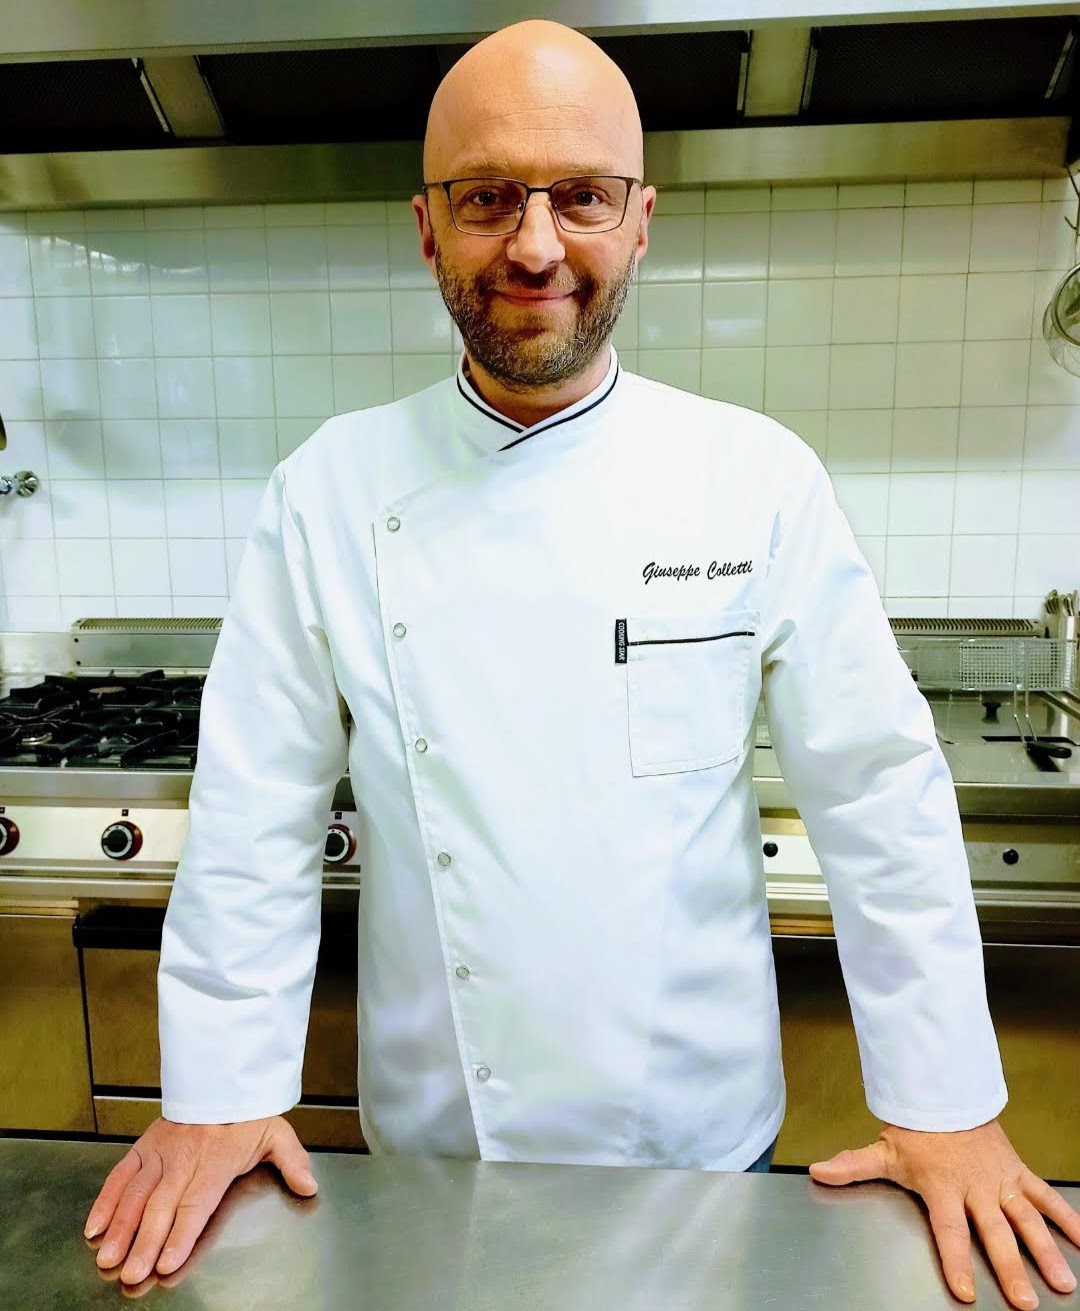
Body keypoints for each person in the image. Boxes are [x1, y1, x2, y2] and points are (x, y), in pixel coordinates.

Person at [86, 19, 1079, 1306]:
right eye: (488, 197)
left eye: (582, 197)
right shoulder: (328, 489)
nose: (536, 245)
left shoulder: (754, 478)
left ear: (642, 221)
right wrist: (220, 1092)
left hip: (695, 1145)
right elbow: (254, 807)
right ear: (426, 227)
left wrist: (945, 1106)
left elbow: (880, 797)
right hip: (437, 1142)